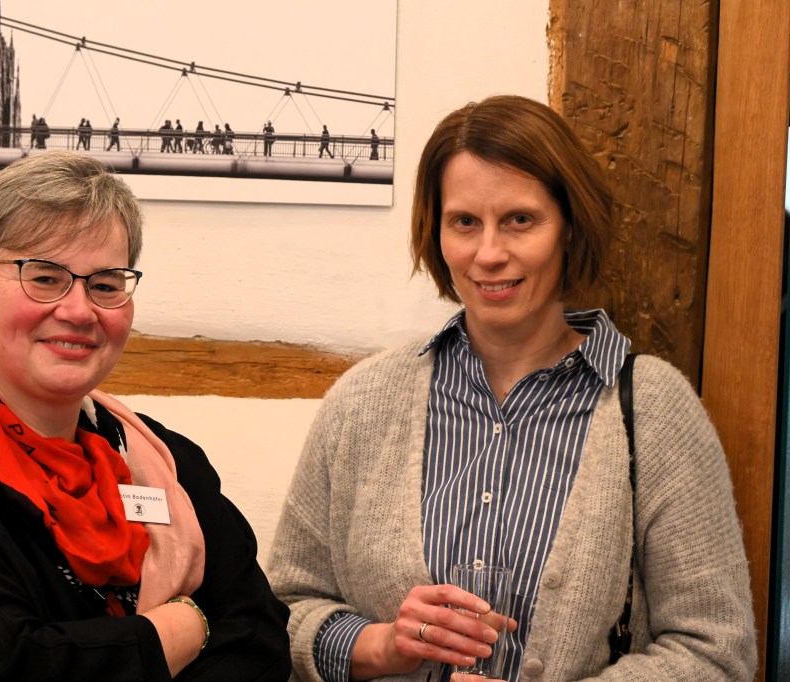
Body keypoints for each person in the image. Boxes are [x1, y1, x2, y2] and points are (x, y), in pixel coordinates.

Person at [268, 95, 755, 681]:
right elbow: (282, 611)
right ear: (435, 231)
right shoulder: (363, 403)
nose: (489, 254)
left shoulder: (653, 412)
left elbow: (716, 652)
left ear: (570, 227)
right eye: (464, 222)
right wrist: (380, 644)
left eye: (520, 220)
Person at [0, 151, 292, 681]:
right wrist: (187, 625)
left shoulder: (164, 459)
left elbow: (261, 638)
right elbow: (12, 670)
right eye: (44, 277)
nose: (78, 310)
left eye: (106, 284)